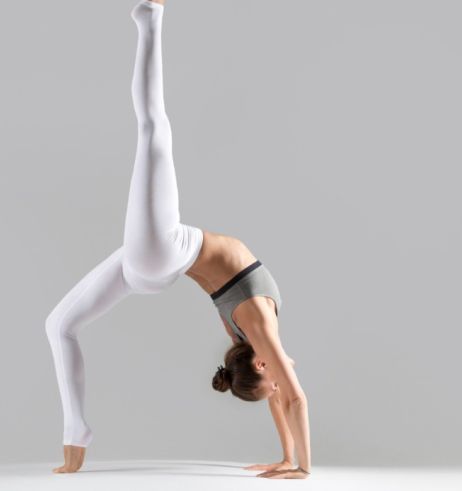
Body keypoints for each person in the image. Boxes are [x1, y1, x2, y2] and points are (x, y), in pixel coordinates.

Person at [45, 0, 310, 479]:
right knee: (58, 324)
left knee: (154, 127)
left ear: (263, 365)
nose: (281, 383)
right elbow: (281, 396)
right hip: (151, 262)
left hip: (163, 248)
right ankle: (75, 436)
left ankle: (151, 16)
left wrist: (304, 467)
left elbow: (293, 398)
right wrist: (287, 458)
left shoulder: (257, 326)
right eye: (271, 387)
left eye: (269, 381)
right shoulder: (248, 336)